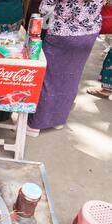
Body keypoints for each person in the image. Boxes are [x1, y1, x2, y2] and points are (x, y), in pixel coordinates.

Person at [27, 0, 104, 136]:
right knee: (71, 77)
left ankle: (35, 125)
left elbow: (45, 7)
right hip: (89, 33)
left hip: (61, 32)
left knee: (49, 78)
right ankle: (58, 120)